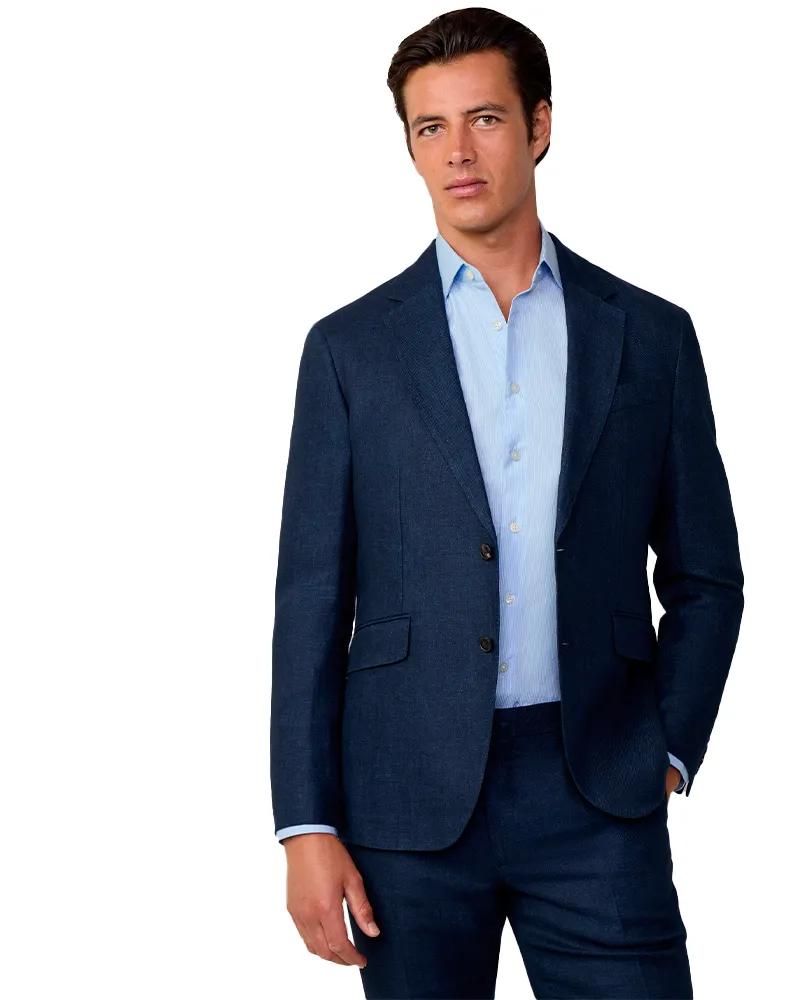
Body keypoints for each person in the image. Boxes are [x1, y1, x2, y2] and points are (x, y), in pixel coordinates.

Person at [270, 8, 743, 998]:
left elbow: (705, 575)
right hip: (404, 801)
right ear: (408, 146)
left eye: (483, 118)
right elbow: (312, 599)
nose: (457, 151)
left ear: (539, 126)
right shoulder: (350, 350)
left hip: (597, 784)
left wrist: (665, 747)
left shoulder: (649, 335)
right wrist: (306, 823)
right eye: (429, 127)